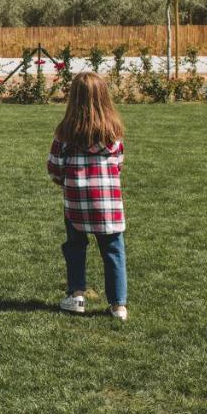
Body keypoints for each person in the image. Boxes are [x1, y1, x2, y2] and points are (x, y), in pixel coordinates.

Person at [46, 72, 128, 321]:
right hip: (108, 201)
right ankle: (118, 306)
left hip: (76, 200)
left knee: (75, 247)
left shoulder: (65, 134)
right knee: (113, 250)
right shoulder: (114, 134)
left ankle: (77, 294)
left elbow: (54, 166)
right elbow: (119, 165)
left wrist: (64, 180)